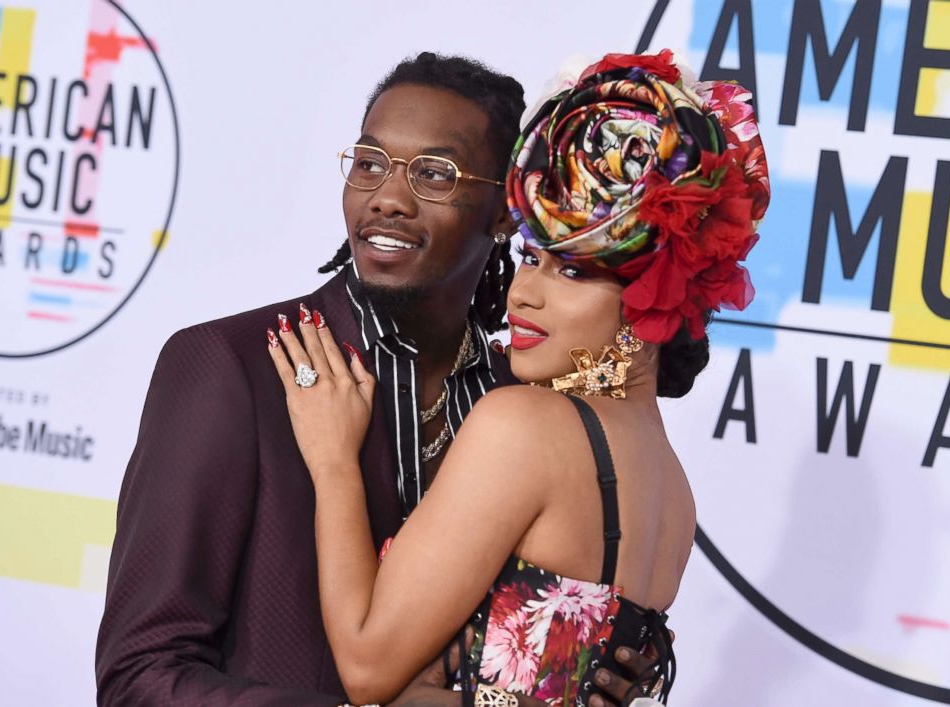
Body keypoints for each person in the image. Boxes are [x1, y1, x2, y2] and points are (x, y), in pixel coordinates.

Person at [95, 52, 650, 706]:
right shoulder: (232, 367)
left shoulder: (525, 410)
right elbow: (138, 676)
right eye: (369, 162)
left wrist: (572, 672)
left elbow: (492, 665)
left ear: (505, 211)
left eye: (434, 173)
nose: (387, 196)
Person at [265, 50, 770, 706]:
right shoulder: (671, 488)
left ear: (653, 290)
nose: (524, 293)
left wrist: (334, 464)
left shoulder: (524, 426)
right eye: (530, 256)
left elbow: (366, 666)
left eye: (570, 270)